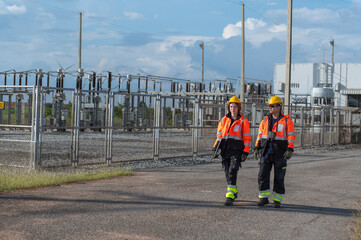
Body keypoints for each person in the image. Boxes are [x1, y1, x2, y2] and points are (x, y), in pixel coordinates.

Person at [254, 96, 295, 208]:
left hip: (280, 153)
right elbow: (260, 135)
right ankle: (263, 198)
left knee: (279, 177)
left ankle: (277, 200)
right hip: (266, 151)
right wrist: (257, 147)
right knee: (262, 175)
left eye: (272, 106)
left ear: (279, 107)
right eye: (269, 106)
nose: (270, 108)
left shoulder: (287, 121)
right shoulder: (265, 120)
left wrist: (290, 149)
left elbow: (291, 136)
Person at [212, 96, 251, 206]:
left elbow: (247, 138)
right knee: (227, 172)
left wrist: (245, 152)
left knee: (233, 170)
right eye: (231, 106)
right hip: (225, 149)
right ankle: (233, 190)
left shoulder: (243, 121)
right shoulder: (224, 120)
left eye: (234, 107)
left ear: (238, 108)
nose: (232, 109)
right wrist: (215, 148)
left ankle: (229, 196)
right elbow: (219, 136)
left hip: (237, 149)